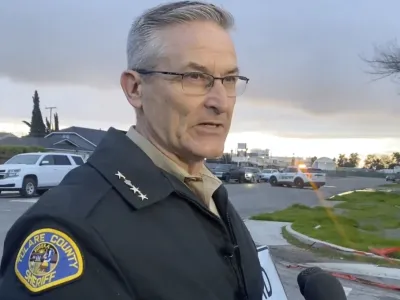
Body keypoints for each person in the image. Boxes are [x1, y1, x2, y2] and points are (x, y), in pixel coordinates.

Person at [0, 1, 264, 299]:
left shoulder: (211, 197)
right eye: (194, 77)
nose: (221, 102)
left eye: (229, 79)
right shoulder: (74, 228)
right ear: (135, 89)